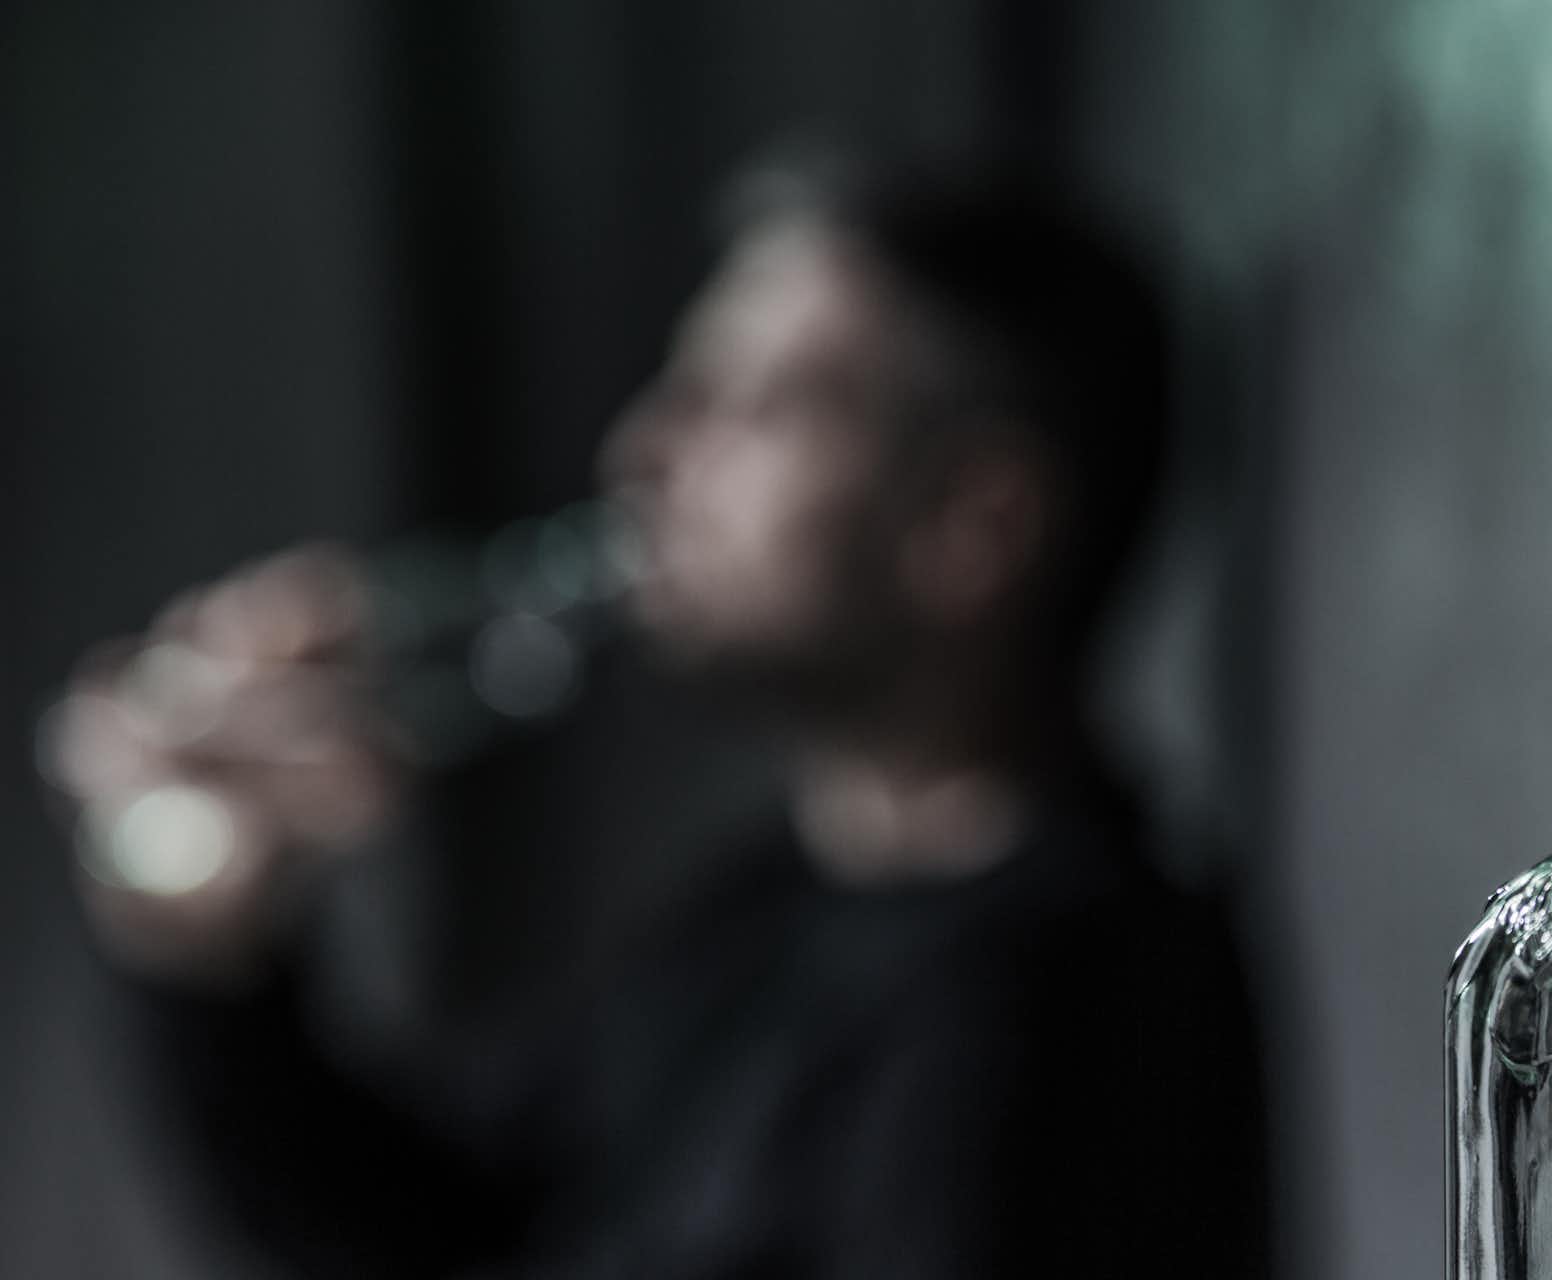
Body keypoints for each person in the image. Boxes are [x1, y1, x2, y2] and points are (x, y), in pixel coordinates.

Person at [45, 157, 1271, 1278]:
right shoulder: (778, 909)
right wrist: (202, 940)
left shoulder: (1070, 1009)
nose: (645, 453)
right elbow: (440, 1225)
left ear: (975, 521)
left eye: (754, 403)